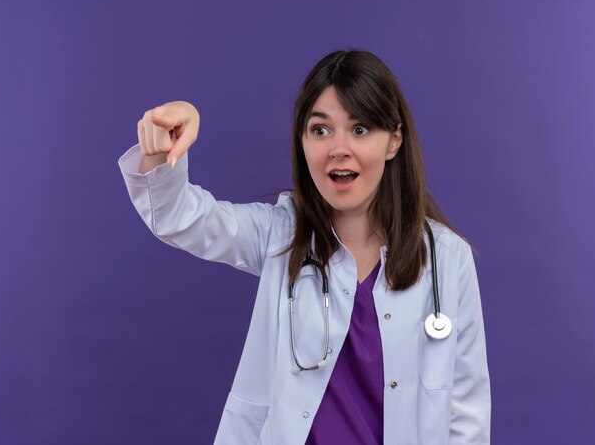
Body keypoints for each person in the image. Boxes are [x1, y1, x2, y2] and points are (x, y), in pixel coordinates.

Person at [118, 49, 491, 444]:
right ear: (302, 141)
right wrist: (164, 144)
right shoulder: (282, 235)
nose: (338, 148)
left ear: (393, 140)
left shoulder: (447, 260)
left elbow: (467, 416)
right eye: (321, 130)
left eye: (360, 129)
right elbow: (181, 218)